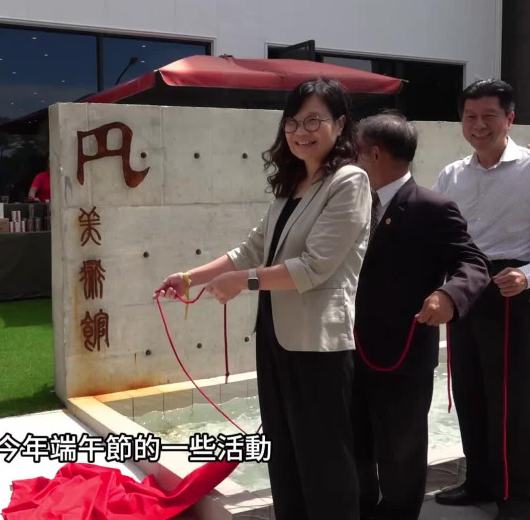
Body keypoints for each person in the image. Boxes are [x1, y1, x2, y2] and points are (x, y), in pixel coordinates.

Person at [156, 79, 370, 520]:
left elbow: (314, 266)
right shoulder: (292, 185)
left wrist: (243, 283)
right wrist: (190, 278)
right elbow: (251, 250)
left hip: (318, 344)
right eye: (293, 122)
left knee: (324, 457)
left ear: (340, 124)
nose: (301, 131)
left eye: (314, 120)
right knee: (283, 449)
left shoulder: (349, 181)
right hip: (276, 337)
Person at [432, 80, 530, 519]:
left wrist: (529, 275)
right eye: (470, 117)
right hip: (464, 286)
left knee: (511, 398)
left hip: (510, 288)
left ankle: (518, 497)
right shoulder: (452, 175)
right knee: (469, 389)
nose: (479, 125)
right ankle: (479, 481)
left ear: (509, 119)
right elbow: (440, 235)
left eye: (489, 116)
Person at [352, 113, 490, 520]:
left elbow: (473, 263)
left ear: (374, 153)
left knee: (401, 450)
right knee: (354, 442)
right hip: (347, 347)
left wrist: (448, 295)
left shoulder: (431, 207)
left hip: (403, 350)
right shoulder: (350, 203)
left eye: (355, 152)